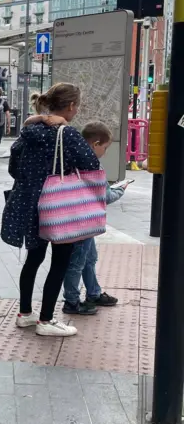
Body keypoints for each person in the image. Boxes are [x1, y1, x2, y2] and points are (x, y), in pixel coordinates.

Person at [1, 83, 101, 337]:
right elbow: (90, 162)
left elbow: (14, 168)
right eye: (76, 106)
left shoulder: (29, 131)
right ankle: (46, 320)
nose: (76, 110)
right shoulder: (66, 134)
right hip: (57, 206)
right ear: (70, 106)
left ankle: (25, 314)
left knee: (33, 258)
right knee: (60, 262)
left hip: (29, 203)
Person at [62, 122, 128, 315]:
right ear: (95, 144)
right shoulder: (90, 162)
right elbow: (105, 196)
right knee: (77, 262)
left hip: (75, 216)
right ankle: (72, 301)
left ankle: (93, 292)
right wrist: (120, 189)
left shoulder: (72, 156)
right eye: (105, 148)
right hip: (82, 220)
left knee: (89, 258)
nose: (105, 153)